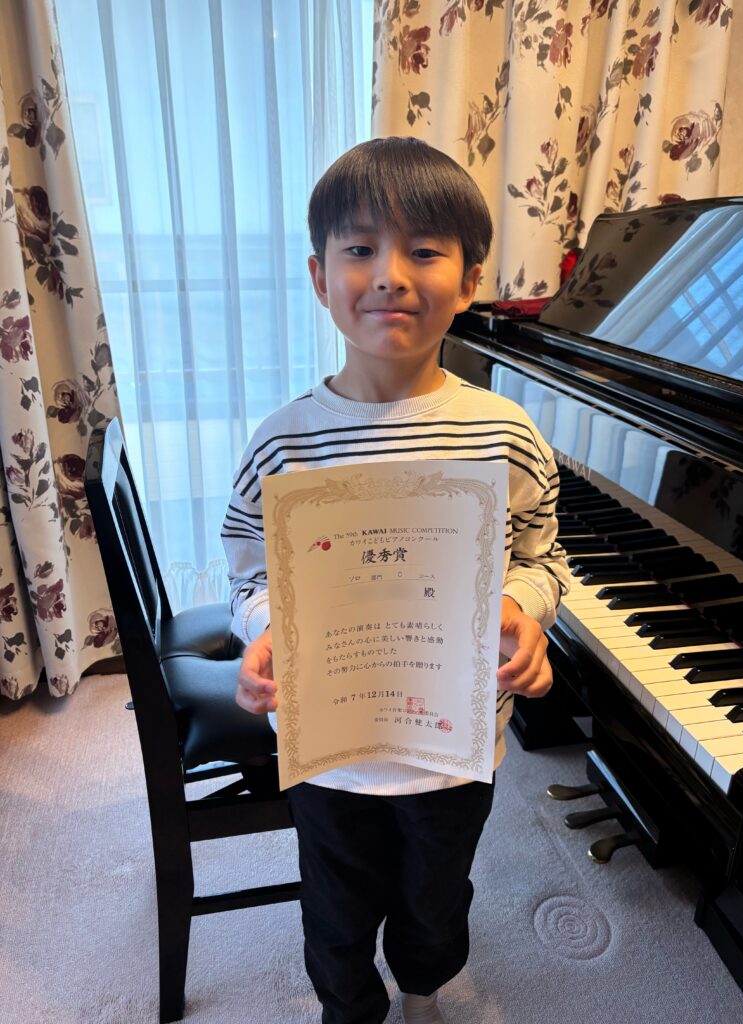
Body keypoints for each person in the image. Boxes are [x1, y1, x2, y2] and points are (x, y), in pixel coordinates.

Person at [221, 136, 571, 1024]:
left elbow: (542, 557)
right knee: (335, 913)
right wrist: (264, 627)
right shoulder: (283, 441)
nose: (390, 275)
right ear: (319, 275)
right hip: (328, 749)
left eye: (423, 250)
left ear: (469, 278)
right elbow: (249, 568)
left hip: (455, 747)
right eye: (359, 249)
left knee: (436, 898)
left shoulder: (505, 433)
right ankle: (349, 1011)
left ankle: (423, 991)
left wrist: (523, 612)